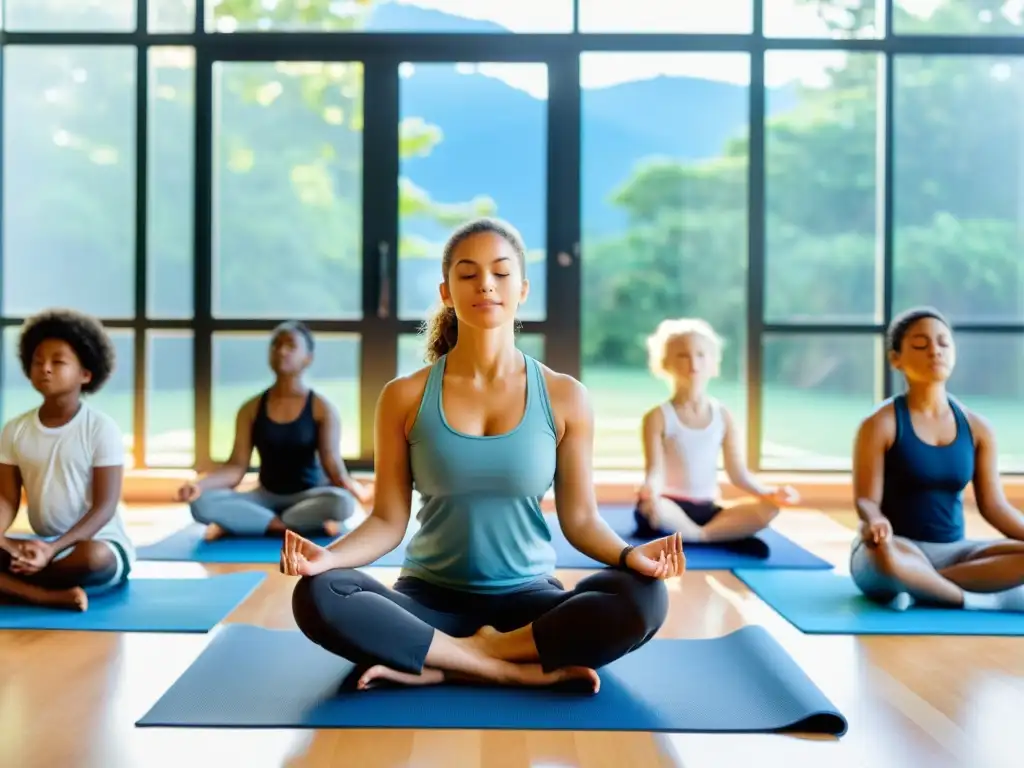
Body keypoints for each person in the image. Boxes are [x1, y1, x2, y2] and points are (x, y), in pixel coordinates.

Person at [279, 217, 684, 693]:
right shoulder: (404, 396)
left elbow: (580, 520)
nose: (485, 285)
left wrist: (630, 555)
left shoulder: (565, 396)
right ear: (447, 292)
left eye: (501, 272)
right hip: (427, 603)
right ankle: (506, 668)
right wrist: (326, 559)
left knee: (644, 599)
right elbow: (388, 521)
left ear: (523, 289)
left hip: (528, 606)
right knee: (319, 594)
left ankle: (445, 660)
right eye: (468, 274)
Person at [850, 306, 1024, 612]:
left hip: (956, 552)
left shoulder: (977, 427)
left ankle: (921, 588)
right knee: (884, 556)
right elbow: (866, 500)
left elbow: (995, 507)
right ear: (896, 359)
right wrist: (875, 522)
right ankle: (971, 599)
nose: (934, 351)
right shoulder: (880, 423)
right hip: (895, 548)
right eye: (920, 344)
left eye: (943, 343)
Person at [176, 321, 370, 542]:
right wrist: (197, 485)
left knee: (342, 503)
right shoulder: (251, 408)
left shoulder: (321, 408)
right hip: (264, 496)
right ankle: (286, 525)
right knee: (201, 503)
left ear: (308, 358)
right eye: (276, 345)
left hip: (309, 496)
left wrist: (358, 491)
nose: (281, 351)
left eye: (290, 346)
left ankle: (263, 522)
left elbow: (334, 467)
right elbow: (235, 468)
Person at [0, 309, 134, 612]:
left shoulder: (101, 428)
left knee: (92, 558)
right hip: (39, 544)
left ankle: (15, 588)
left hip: (94, 545)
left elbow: (105, 508)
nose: (45, 368)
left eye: (58, 362)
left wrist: (53, 549)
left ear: (86, 374)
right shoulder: (14, 429)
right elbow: (6, 499)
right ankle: (43, 596)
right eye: (37, 361)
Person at [634, 318, 799, 544]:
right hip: (670, 506)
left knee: (769, 510)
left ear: (713, 363)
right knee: (651, 511)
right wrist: (649, 491)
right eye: (683, 355)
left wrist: (769, 493)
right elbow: (655, 471)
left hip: (708, 508)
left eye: (701, 354)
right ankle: (715, 535)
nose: (693, 362)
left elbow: (738, 474)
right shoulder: (657, 417)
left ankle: (697, 535)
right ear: (665, 363)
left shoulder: (723, 416)